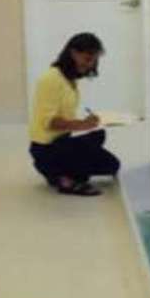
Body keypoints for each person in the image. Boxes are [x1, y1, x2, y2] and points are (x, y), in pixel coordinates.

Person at [28, 32, 120, 196]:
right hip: (46, 148)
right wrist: (82, 124)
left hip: (62, 141)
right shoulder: (51, 79)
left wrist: (89, 123)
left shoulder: (69, 79)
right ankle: (57, 173)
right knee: (108, 164)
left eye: (94, 60)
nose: (90, 64)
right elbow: (48, 122)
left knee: (101, 140)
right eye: (87, 59)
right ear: (73, 53)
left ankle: (61, 171)